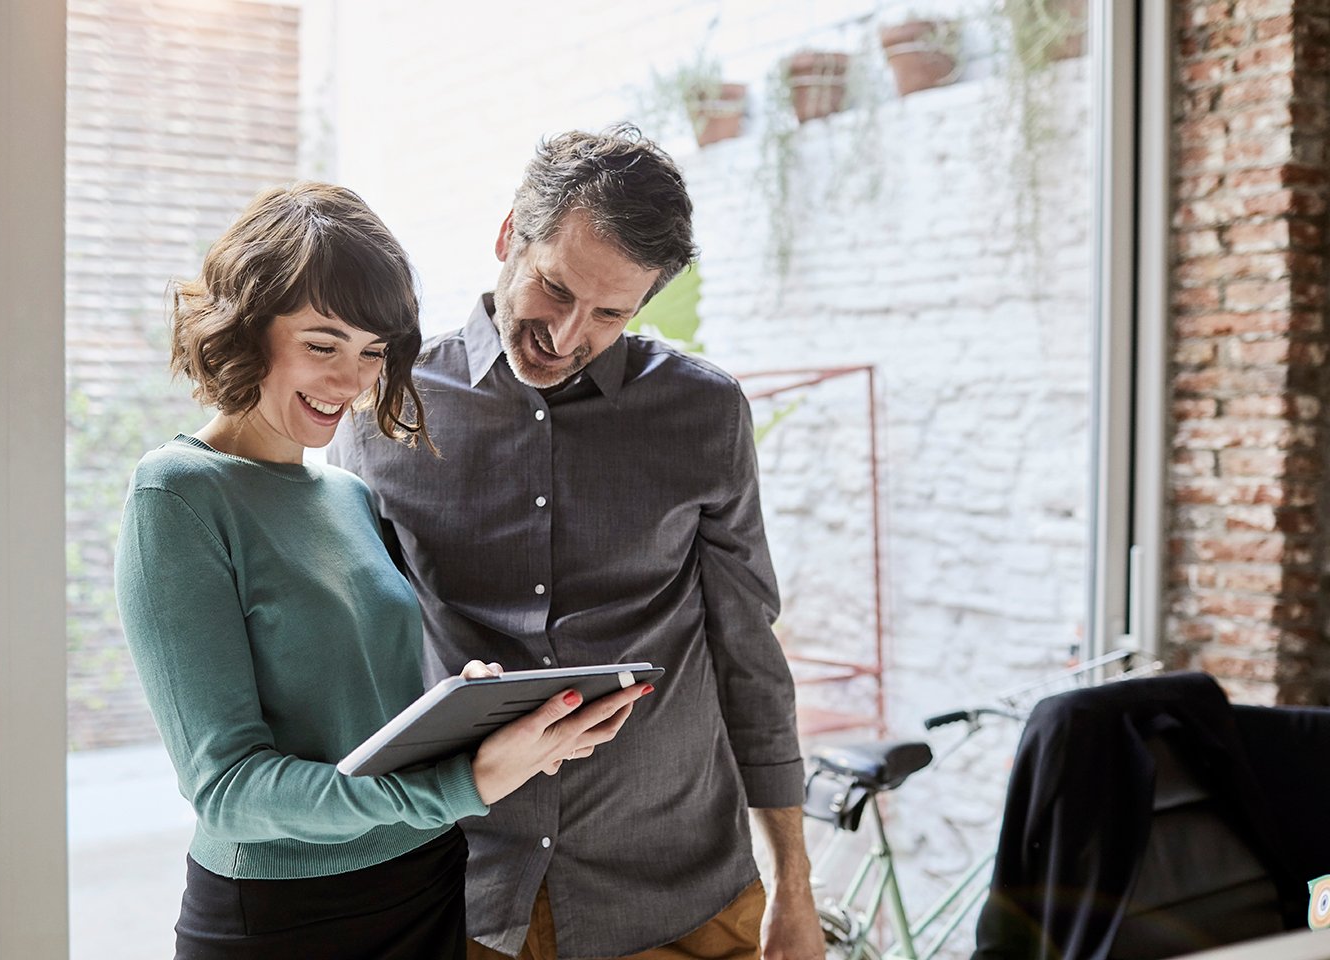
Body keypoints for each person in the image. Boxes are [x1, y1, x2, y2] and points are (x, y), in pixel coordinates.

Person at [114, 180, 652, 960]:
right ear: (248, 328)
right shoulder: (180, 492)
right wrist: (458, 786)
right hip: (287, 916)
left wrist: (466, 720)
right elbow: (227, 793)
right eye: (322, 344)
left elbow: (362, 721)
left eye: (373, 352)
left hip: (425, 876)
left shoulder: (348, 494)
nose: (350, 380)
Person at [329, 126, 825, 959]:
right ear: (508, 235)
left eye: (609, 313)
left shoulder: (703, 413)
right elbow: (349, 659)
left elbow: (748, 652)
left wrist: (795, 887)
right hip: (464, 894)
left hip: (683, 902)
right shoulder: (385, 409)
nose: (565, 335)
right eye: (554, 289)